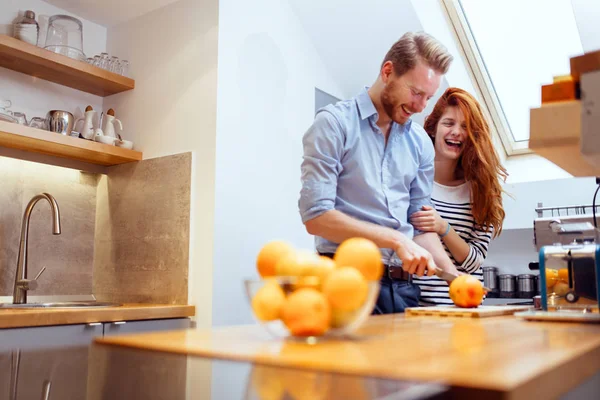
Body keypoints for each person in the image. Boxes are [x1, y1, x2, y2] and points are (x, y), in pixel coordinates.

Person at [298, 32, 461, 314]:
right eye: (416, 92)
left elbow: (419, 224)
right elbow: (316, 216)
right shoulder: (334, 124)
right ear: (388, 72)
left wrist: (455, 277)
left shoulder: (420, 142)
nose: (421, 107)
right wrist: (397, 239)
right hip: (345, 284)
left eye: (428, 97)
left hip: (404, 290)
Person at [410, 87, 508, 305]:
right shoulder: (413, 180)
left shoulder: (482, 191)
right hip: (417, 305)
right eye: (449, 123)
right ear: (433, 128)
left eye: (466, 127)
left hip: (465, 304)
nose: (457, 132)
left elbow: (474, 261)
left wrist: (443, 227)